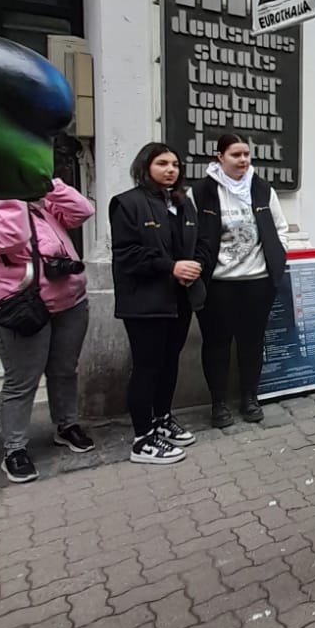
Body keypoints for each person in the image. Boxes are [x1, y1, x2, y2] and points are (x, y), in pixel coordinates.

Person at [0, 178, 95, 483]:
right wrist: (12, 192)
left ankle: (66, 425)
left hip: (70, 303)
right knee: (22, 381)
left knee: (64, 370)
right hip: (22, 310)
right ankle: (15, 449)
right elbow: (10, 238)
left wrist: (47, 182)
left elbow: (83, 210)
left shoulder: (41, 207)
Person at [109, 144, 205, 465]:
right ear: (145, 166)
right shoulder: (127, 204)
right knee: (147, 367)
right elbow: (127, 255)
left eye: (175, 164)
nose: (170, 169)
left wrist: (195, 267)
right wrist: (171, 267)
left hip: (179, 299)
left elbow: (198, 244)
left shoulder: (182, 203)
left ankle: (162, 419)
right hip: (145, 301)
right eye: (162, 163)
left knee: (169, 362)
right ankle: (141, 439)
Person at [193, 132, 289, 428]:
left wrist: (277, 257)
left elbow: (280, 227)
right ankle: (219, 404)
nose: (243, 160)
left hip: (257, 282)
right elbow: (191, 233)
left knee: (252, 342)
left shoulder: (262, 189)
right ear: (219, 157)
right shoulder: (200, 193)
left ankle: (250, 397)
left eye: (247, 154)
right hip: (218, 284)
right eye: (236, 154)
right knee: (217, 344)